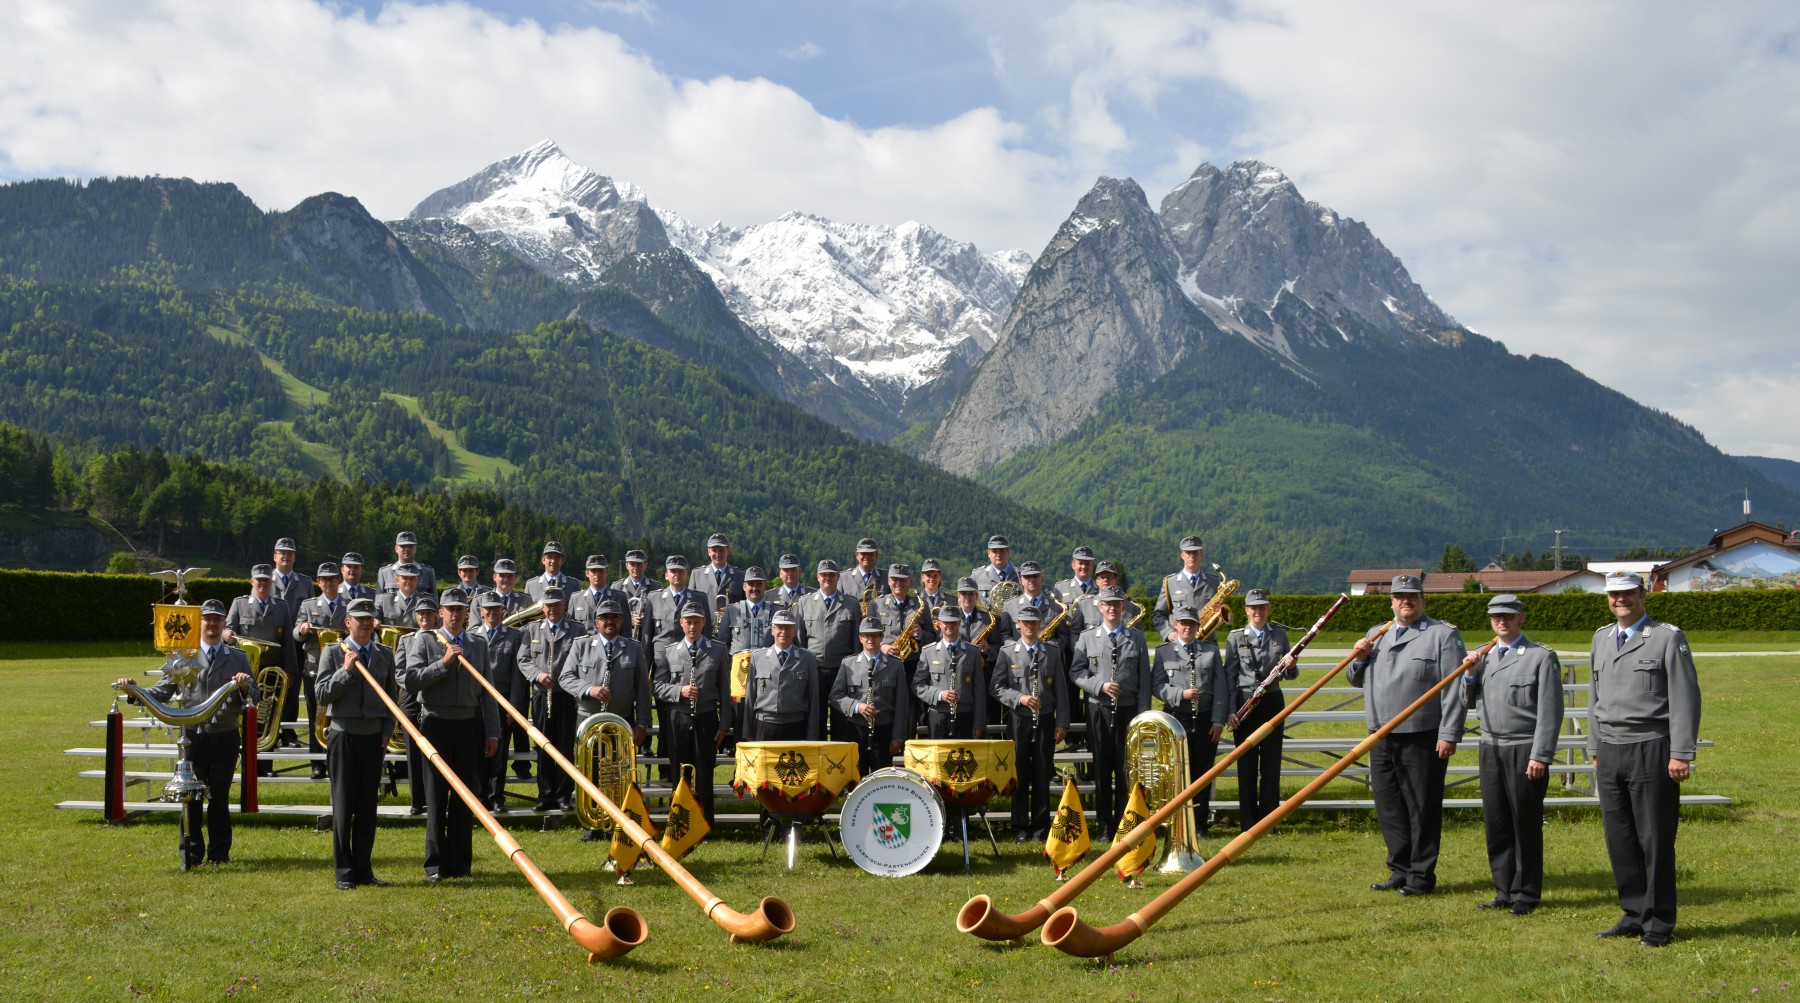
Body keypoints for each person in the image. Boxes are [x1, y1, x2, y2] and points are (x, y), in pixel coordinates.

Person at [1589, 571, 1701, 947]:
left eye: (1628, 593)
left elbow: (1685, 697)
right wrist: (1594, 747)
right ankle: (1633, 913)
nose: (1620, 599)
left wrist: (1681, 753)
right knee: (1620, 837)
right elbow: (1594, 698)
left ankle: (1659, 921)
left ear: (1642, 595)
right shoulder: (1601, 638)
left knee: (1655, 838)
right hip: (1610, 748)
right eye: (1614, 594)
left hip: (1650, 747)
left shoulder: (1667, 638)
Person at [1348, 574, 1467, 897]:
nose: (1406, 602)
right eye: (1400, 597)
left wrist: (1450, 733)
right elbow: (1355, 678)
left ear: (1422, 600)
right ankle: (1399, 869)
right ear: (1392, 602)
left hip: (1422, 734)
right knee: (1389, 805)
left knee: (1421, 807)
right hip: (1380, 735)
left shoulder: (1442, 635)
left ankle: (1421, 875)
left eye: (1412, 597)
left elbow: (1455, 689)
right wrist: (1359, 658)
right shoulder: (1377, 635)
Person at [115, 599, 255, 868]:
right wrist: (134, 690)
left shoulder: (238, 657)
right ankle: (190, 856)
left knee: (219, 798)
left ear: (224, 623)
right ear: (200, 623)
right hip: (192, 737)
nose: (212, 624)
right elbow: (161, 691)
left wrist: (244, 686)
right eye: (208, 619)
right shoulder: (183, 656)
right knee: (190, 798)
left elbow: (255, 695)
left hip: (224, 735)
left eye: (217, 619)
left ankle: (219, 856)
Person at [1464, 594, 1564, 916]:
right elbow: (1468, 701)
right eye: (1496, 616)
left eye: (1508, 615)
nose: (1501, 621)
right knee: (1497, 822)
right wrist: (1471, 674)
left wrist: (1541, 755)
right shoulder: (1485, 655)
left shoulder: (1540, 657)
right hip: (1491, 747)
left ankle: (1526, 893)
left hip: (1524, 748)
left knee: (1525, 823)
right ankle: (1503, 890)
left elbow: (1550, 711)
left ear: (1521, 618)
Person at [403, 589, 501, 881]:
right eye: (450, 609)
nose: (455, 614)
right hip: (436, 724)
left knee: (464, 798)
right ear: (440, 613)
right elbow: (411, 681)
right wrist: (443, 664)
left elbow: (488, 692)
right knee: (436, 797)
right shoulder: (425, 641)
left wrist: (492, 732)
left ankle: (461, 865)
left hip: (468, 725)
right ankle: (435, 865)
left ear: (466, 614)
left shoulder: (477, 644)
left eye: (460, 609)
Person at [314, 597, 396, 889]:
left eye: (369, 618)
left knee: (367, 807)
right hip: (344, 735)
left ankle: (364, 870)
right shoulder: (333, 652)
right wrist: (346, 671)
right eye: (359, 618)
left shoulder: (384, 654)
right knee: (343, 805)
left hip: (373, 737)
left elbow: (392, 698)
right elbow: (322, 694)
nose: (365, 623)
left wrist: (387, 730)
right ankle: (344, 873)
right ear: (348, 622)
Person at [560, 598, 653, 840]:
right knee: (590, 772)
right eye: (604, 618)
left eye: (614, 617)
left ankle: (619, 822)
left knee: (620, 773)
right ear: (596, 622)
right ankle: (592, 824)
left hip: (621, 722)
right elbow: (565, 677)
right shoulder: (581, 645)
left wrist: (642, 724)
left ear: (622, 621)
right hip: (589, 721)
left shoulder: (634, 648)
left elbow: (643, 691)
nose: (609, 621)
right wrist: (588, 689)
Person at [1069, 586, 1152, 837]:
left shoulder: (1137, 638)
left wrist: (1143, 716)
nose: (1112, 608)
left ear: (1123, 608)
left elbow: (1145, 681)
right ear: (1101, 608)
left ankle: (1125, 824)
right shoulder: (1087, 637)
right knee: (1102, 769)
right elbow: (1076, 672)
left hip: (1128, 709)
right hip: (1099, 708)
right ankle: (1105, 826)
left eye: (1117, 604)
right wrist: (1100, 685)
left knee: (1126, 769)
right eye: (1108, 604)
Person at [1217, 588, 1296, 832]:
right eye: (1253, 607)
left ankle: (1269, 822)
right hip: (1245, 703)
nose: (1258, 611)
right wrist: (1231, 710)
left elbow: (1290, 674)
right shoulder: (1235, 637)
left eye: (1262, 607)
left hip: (1272, 701)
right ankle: (1248, 823)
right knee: (1247, 765)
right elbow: (1230, 676)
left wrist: (1291, 666)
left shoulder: (1279, 635)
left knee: (1272, 763)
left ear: (1268, 609)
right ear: (1246, 610)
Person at [991, 606, 1068, 841]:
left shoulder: (1052, 652)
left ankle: (1041, 827)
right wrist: (1019, 698)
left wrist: (1062, 722)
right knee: (1019, 774)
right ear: (1018, 625)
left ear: (1040, 624)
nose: (1029, 626)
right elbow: (996, 687)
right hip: (1018, 719)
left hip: (1045, 719)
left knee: (1042, 773)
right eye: (1025, 622)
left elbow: (1061, 689)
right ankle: (1020, 827)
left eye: (1034, 622)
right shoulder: (1007, 652)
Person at [654, 601, 733, 824]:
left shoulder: (717, 650)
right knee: (679, 774)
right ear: (681, 623)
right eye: (688, 622)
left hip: (707, 717)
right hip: (678, 718)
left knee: (705, 773)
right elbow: (657, 687)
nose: (692, 626)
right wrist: (680, 691)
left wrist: (724, 725)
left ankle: (705, 824)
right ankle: (679, 824)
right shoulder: (670, 652)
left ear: (704, 623)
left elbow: (725, 691)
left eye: (696, 622)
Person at [1153, 606, 1223, 835]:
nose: (1188, 627)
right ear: (1176, 625)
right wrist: (1180, 694)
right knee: (1175, 772)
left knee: (1203, 773)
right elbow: (1157, 685)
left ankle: (1200, 825)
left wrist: (1218, 721)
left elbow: (1220, 687)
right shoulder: (1164, 652)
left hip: (1205, 718)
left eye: (1192, 624)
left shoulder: (1211, 651)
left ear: (1197, 626)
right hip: (1176, 717)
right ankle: (1176, 822)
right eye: (1183, 623)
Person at [517, 586, 586, 812]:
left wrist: (577, 691)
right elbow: (523, 659)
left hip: (567, 696)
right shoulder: (531, 629)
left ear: (564, 606)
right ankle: (545, 795)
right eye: (548, 606)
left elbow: (582, 661)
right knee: (543, 746)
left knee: (565, 746)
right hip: (541, 695)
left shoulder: (577, 629)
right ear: (543, 608)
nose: (552, 609)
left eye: (557, 605)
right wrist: (538, 675)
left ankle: (564, 795)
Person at [226, 563, 299, 754]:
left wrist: (291, 670)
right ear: (252, 581)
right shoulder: (239, 603)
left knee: (268, 715)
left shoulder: (281, 606)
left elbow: (288, 641)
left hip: (272, 672)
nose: (263, 584)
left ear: (271, 582)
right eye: (259, 580)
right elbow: (228, 628)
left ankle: (266, 758)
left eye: (266, 580)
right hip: (245, 670)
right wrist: (227, 634)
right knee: (244, 713)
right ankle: (245, 756)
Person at [832, 617, 908, 775]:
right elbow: (835, 696)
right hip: (856, 729)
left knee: (881, 778)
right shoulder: (848, 664)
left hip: (883, 730)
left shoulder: (896, 665)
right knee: (856, 777)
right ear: (860, 638)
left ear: (881, 637)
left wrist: (898, 737)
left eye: (875, 635)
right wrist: (857, 707)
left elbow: (902, 703)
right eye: (866, 635)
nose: (870, 639)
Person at [793, 559, 858, 739]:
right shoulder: (804, 603)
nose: (827, 578)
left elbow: (856, 641)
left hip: (842, 670)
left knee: (842, 718)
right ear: (818, 577)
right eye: (824, 575)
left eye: (831, 575)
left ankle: (840, 753)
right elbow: (799, 640)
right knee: (816, 717)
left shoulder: (851, 604)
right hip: (815, 669)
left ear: (838, 577)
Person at [295, 562, 349, 779]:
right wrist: (302, 629)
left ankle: (337, 759)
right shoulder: (308, 605)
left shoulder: (349, 604)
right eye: (324, 579)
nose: (328, 583)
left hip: (341, 668)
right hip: (314, 669)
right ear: (318, 582)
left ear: (339, 580)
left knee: (339, 715)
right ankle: (317, 763)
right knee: (315, 717)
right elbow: (296, 633)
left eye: (332, 578)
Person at [475, 591, 529, 806]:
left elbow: (518, 674)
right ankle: (479, 796)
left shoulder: (514, 636)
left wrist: (514, 706)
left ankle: (496, 797)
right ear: (481, 611)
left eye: (496, 609)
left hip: (502, 700)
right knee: (477, 750)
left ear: (502, 611)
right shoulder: (472, 635)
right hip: (477, 701)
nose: (492, 613)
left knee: (499, 750)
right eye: (488, 609)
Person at [395, 595, 443, 815]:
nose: (425, 617)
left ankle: (435, 798)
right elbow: (399, 671)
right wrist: (413, 684)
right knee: (414, 750)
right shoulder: (406, 640)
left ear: (436, 616)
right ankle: (417, 800)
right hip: (411, 697)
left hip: (434, 696)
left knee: (435, 749)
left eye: (429, 614)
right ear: (416, 616)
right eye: (422, 613)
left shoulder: (442, 639)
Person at [743, 610, 820, 742]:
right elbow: (750, 698)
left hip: (795, 725)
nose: (784, 632)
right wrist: (747, 732)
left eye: (788, 627)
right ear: (772, 631)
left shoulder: (808, 659)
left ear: (794, 631)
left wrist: (812, 735)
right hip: (765, 724)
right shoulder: (757, 657)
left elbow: (813, 699)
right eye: (780, 627)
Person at [916, 607, 986, 740]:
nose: (950, 626)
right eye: (946, 622)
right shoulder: (928, 652)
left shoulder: (972, 652)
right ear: (939, 624)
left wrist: (979, 724)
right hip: (938, 714)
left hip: (965, 715)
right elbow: (917, 686)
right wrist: (939, 694)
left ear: (959, 623)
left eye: (953, 622)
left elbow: (979, 691)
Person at [1154, 535, 1227, 639]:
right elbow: (1158, 614)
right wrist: (1168, 633)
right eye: (1188, 552)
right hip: (1178, 641)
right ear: (1182, 555)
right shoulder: (1170, 582)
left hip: (1206, 641)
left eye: (1195, 552)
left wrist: (1219, 612)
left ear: (1201, 554)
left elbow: (1219, 616)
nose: (1192, 556)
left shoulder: (1213, 581)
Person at [567, 554, 623, 626]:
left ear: (607, 572)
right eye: (593, 571)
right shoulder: (576, 598)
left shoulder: (619, 597)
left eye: (600, 571)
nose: (597, 574)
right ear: (587, 573)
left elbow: (626, 629)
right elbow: (570, 627)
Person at [693, 532, 745, 606]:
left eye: (721, 550)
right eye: (714, 550)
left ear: (728, 551)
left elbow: (746, 605)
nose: (718, 554)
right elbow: (690, 606)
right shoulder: (697, 575)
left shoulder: (740, 576)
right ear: (709, 552)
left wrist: (732, 609)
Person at [270, 537, 313, 622]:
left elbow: (311, 611)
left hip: (297, 629)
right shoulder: (264, 582)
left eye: (290, 554)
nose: (286, 556)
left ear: (294, 557)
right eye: (283, 553)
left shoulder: (305, 583)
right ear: (275, 557)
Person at [970, 534, 1020, 602]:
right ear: (989, 553)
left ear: (1008, 552)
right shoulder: (977, 576)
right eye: (995, 551)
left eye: (1002, 551)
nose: (998, 555)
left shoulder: (1020, 575)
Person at [843, 538, 888, 603]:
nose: (867, 557)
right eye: (863, 553)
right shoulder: (843, 578)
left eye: (870, 553)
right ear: (857, 555)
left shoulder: (886, 578)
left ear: (876, 555)